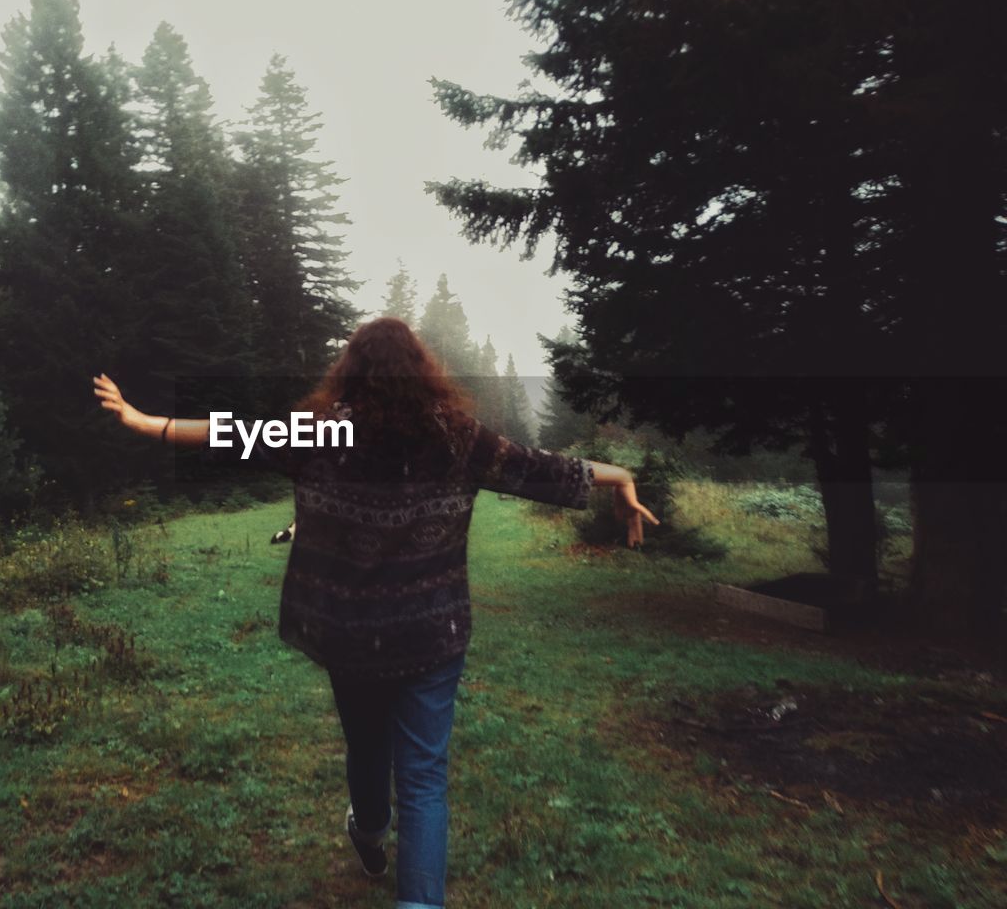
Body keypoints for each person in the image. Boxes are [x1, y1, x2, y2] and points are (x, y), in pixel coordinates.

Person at [92, 317, 658, 909]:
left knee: (366, 746)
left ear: (351, 371)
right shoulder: (455, 438)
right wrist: (622, 477)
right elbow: (542, 468)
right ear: (423, 372)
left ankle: (367, 831)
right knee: (422, 778)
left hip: (349, 635)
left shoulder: (325, 434)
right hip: (433, 634)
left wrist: (143, 421)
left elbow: (230, 433)